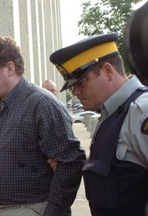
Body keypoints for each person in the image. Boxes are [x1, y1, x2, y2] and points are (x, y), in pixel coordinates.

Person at [0, 35, 86, 216]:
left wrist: (52, 212)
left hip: (30, 209)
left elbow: (70, 163)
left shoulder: (43, 105)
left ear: (10, 68)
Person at [50, 32, 148, 216]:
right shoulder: (109, 114)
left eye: (81, 82)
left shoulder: (142, 112)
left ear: (108, 71)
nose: (76, 92)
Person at [42, 79, 72, 216]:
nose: (49, 93)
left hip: (60, 167)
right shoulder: (38, 108)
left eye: (52, 90)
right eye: (46, 90)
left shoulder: (60, 108)